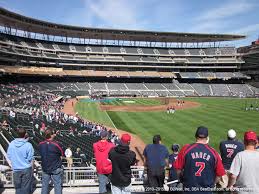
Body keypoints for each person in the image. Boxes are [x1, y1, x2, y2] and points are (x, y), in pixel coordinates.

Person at [174, 126, 225, 194]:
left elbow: (178, 170)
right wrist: (212, 184)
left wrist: (182, 180)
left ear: (195, 136)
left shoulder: (186, 149)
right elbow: (219, 175)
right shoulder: (214, 152)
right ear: (207, 137)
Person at [7, 128, 34, 194]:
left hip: (16, 169)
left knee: (18, 189)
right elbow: (30, 158)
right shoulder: (28, 145)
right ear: (25, 135)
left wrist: (15, 161)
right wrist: (26, 162)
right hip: (26, 168)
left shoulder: (11, 144)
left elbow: (9, 155)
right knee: (26, 188)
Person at [39, 129, 64, 194]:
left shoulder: (41, 144)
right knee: (57, 185)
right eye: (53, 134)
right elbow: (62, 154)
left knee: (44, 185)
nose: (54, 135)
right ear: (51, 135)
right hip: (55, 167)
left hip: (45, 167)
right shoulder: (57, 144)